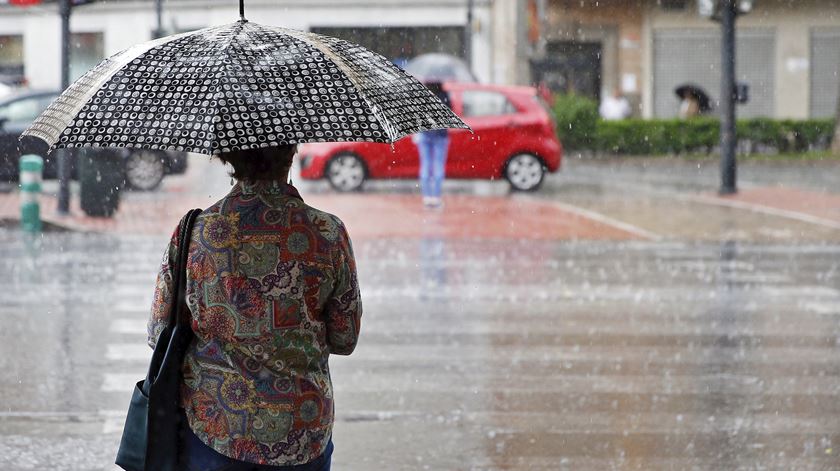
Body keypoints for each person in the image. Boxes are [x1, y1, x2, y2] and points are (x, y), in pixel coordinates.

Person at [147, 144, 362, 471]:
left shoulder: (195, 233)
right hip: (302, 430)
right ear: (291, 154)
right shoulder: (327, 232)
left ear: (228, 158)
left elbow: (159, 333)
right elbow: (345, 338)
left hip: (216, 429)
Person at [413, 82, 451, 208]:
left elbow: (417, 115)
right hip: (441, 135)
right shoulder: (444, 95)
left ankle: (427, 197)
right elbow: (450, 114)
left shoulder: (423, 94)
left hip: (425, 134)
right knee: (438, 165)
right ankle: (436, 197)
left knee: (426, 165)